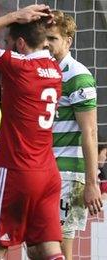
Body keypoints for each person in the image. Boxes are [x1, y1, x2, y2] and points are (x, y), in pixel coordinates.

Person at [0, 4, 66, 259]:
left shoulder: (19, 66)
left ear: (20, 44)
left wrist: (13, 16)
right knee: (47, 248)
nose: (6, 48)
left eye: (8, 43)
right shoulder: (54, 69)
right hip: (47, 173)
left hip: (19, 172)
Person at [43, 10, 103, 260]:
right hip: (41, 171)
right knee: (39, 247)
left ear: (68, 41)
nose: (46, 43)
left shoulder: (78, 75)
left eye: (53, 38)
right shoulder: (42, 71)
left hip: (68, 174)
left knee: (61, 247)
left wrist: (91, 182)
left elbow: (90, 131)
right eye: (44, 38)